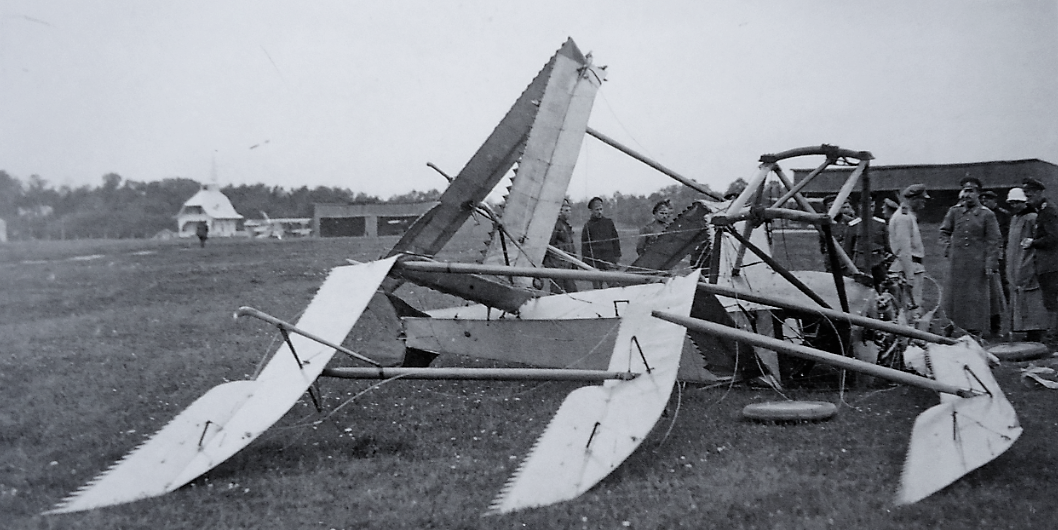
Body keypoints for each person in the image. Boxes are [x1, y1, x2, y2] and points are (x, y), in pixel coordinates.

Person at [938, 177, 1001, 338]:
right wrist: (948, 246)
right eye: (965, 191)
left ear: (978, 194)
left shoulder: (987, 215)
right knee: (954, 296)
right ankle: (952, 325)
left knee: (975, 297)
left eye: (971, 191)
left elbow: (994, 241)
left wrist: (990, 264)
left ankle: (974, 329)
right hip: (957, 263)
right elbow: (944, 231)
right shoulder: (954, 211)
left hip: (977, 263)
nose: (967, 195)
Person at [1004, 188, 1048, 341]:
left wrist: (1028, 263)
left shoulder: (1032, 218)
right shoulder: (1015, 218)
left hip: (1028, 262)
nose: (1015, 205)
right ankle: (1022, 328)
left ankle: (1035, 331)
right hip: (1015, 262)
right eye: (1012, 202)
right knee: (1018, 295)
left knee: (1032, 297)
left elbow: (1032, 242)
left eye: (1018, 202)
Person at [1020, 178, 1058, 340]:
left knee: (1052, 302)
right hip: (1046, 264)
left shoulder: (1048, 211)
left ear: (1039, 193)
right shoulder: (1042, 210)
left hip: (1052, 264)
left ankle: (1054, 337)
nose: (1028, 200)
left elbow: (1054, 237)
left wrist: (1033, 242)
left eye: (1029, 196)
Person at [888, 184, 929, 315]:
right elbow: (904, 249)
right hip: (907, 268)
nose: (924, 202)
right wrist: (910, 276)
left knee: (911, 307)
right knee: (910, 310)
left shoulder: (908, 216)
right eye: (922, 199)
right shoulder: (903, 218)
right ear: (914, 199)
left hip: (911, 266)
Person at [843, 195, 891, 291]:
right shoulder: (853, 225)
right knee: (861, 288)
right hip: (861, 263)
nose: (870, 209)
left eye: (872, 206)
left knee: (883, 287)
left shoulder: (880, 224)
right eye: (867, 206)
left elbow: (887, 246)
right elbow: (847, 249)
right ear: (860, 206)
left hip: (878, 262)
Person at [581, 196, 622, 289]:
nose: (599, 212)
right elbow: (585, 247)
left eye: (601, 209)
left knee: (614, 286)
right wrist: (587, 264)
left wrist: (617, 259)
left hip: (609, 261)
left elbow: (616, 241)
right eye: (596, 210)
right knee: (597, 289)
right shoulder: (588, 226)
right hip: (595, 263)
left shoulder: (609, 223)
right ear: (591, 211)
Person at [543, 200, 578, 293]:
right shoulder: (555, 226)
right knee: (557, 290)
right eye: (566, 211)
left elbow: (571, 245)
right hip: (557, 265)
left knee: (572, 290)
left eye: (569, 211)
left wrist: (574, 262)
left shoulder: (567, 226)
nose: (569, 213)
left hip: (567, 265)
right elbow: (550, 245)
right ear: (559, 212)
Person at [819, 195, 854, 271]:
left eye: (835, 207)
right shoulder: (825, 223)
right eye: (829, 207)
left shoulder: (849, 221)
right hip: (831, 258)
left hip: (848, 259)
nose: (833, 210)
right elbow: (822, 241)